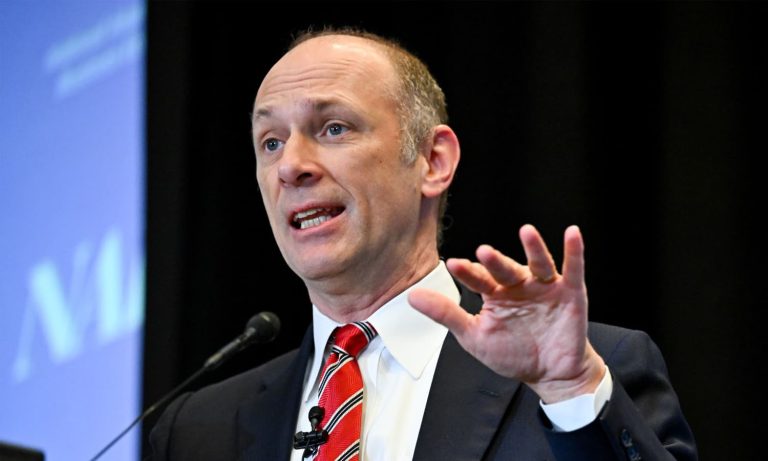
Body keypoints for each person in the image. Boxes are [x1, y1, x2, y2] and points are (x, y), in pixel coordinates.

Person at [149, 27, 697, 460]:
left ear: (433, 161)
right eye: (271, 142)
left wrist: (571, 390)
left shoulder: (583, 373)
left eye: (334, 128)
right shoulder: (197, 430)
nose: (290, 165)